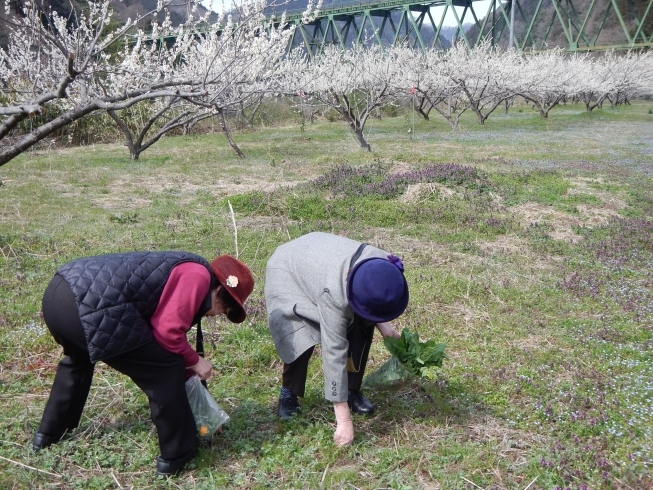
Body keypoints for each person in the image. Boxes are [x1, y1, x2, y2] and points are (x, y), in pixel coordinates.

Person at [33, 251, 254, 477]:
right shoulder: (197, 275)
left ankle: (49, 434)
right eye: (224, 309)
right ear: (219, 290)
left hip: (59, 295)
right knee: (165, 370)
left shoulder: (184, 268)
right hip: (90, 305)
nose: (215, 315)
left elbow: (163, 327)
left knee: (78, 359)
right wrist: (194, 361)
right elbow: (168, 333)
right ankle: (178, 454)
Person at [264, 232, 408, 447]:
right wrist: (344, 420)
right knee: (299, 334)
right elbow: (334, 350)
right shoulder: (333, 294)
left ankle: (351, 390)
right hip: (289, 270)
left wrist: (383, 325)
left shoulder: (384, 264)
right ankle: (289, 391)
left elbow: (375, 294)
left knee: (361, 325)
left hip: (324, 264)